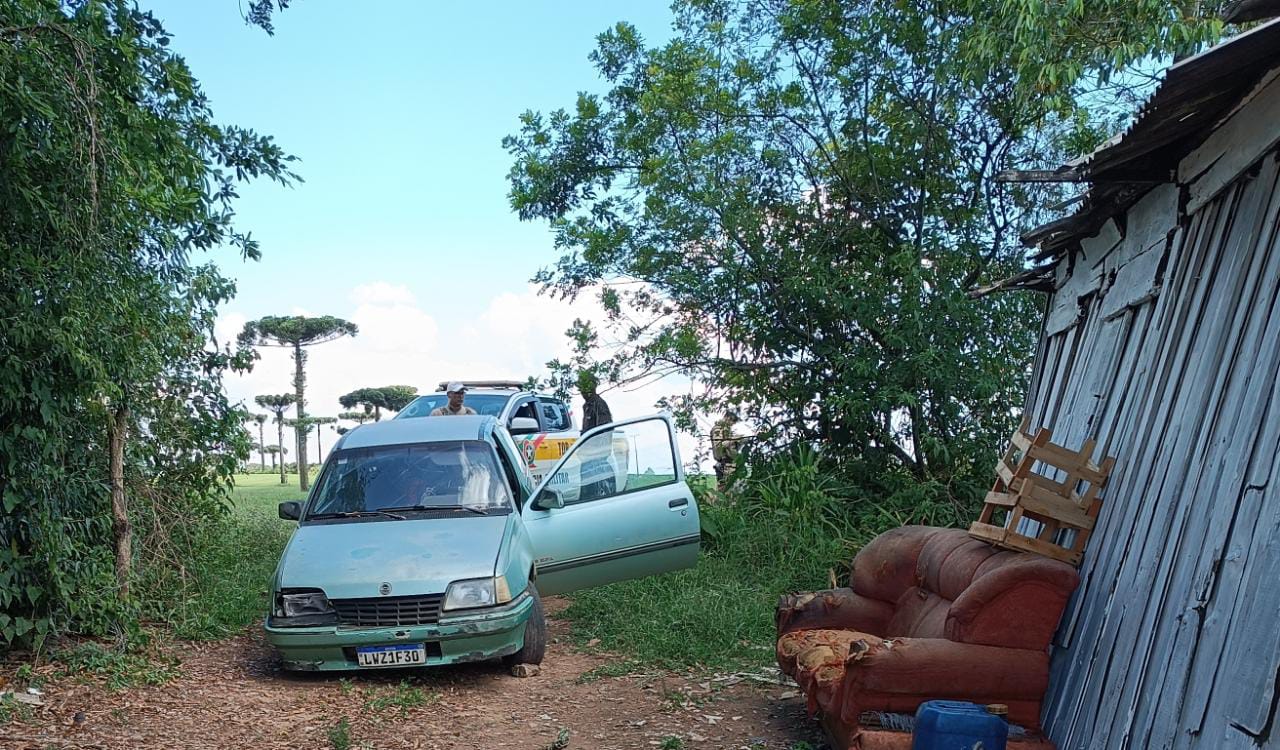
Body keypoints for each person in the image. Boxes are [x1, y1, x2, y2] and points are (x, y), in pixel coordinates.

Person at [711, 411, 740, 490]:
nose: (732, 424)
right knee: (725, 492)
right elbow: (718, 447)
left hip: (730, 465)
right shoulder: (718, 429)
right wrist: (733, 440)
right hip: (724, 465)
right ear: (727, 418)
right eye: (732, 421)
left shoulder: (726, 430)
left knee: (730, 492)